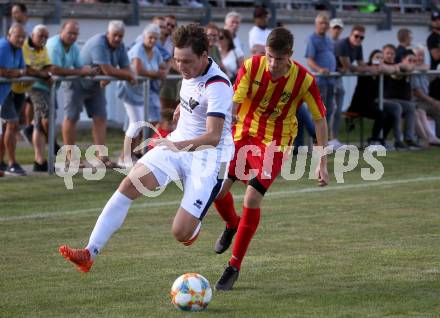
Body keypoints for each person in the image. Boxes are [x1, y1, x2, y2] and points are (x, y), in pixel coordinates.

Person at [58, 24, 234, 274]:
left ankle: (194, 224)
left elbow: (214, 137)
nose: (181, 68)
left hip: (209, 157)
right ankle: (89, 252)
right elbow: (194, 100)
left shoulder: (218, 85)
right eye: (176, 60)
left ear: (205, 55)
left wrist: (177, 144)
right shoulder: (191, 70)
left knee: (181, 233)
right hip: (178, 143)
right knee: (129, 183)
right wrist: (182, 109)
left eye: (187, 62)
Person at [212, 27, 329, 291]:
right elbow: (234, 101)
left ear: (290, 55)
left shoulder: (305, 79)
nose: (273, 64)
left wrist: (322, 163)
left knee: (252, 197)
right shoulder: (251, 67)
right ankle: (232, 224)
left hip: (275, 143)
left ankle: (233, 266)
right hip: (243, 133)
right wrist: (222, 126)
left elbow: (320, 121)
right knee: (218, 191)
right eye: (269, 57)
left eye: (279, 59)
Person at [63, 20, 135, 168]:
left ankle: (101, 157)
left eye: (120, 36)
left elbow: (124, 68)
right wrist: (123, 75)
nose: (117, 39)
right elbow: (109, 70)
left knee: (101, 117)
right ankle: (71, 158)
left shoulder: (120, 47)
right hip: (77, 82)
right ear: (108, 34)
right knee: (72, 118)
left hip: (96, 85)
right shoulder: (98, 43)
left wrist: (113, 75)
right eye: (114, 35)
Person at [46, 20, 99, 166]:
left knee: (47, 121)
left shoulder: (73, 47)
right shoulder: (54, 45)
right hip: (39, 86)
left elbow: (80, 66)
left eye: (75, 34)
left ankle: (53, 154)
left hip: (51, 88)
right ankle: (44, 160)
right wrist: (81, 71)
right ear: (61, 31)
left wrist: (88, 70)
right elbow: (54, 69)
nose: (73, 36)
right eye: (70, 33)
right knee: (44, 123)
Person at [117, 24, 168, 168]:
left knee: (146, 122)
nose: (152, 41)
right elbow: (139, 70)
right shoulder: (138, 48)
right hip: (129, 89)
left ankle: (134, 153)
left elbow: (163, 66)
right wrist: (158, 74)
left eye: (155, 38)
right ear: (144, 37)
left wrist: (163, 71)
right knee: (136, 123)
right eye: (150, 37)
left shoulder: (155, 51)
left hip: (142, 91)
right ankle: (123, 157)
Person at [334, 25, 374, 148]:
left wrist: (367, 68)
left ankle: (333, 139)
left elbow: (359, 64)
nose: (358, 39)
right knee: (330, 110)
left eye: (361, 37)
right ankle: (326, 139)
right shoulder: (342, 44)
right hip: (330, 77)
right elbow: (349, 66)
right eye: (356, 36)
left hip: (337, 78)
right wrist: (370, 68)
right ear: (350, 35)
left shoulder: (358, 46)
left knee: (336, 109)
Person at [0, 23, 27, 176]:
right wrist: (17, 72)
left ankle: (4, 163)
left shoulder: (17, 49)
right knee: (12, 123)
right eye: (17, 36)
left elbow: (22, 70)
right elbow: (3, 72)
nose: (21, 39)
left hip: (4, 94)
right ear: (9, 35)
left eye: (23, 37)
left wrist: (15, 72)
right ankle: (12, 163)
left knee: (9, 126)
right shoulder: (3, 46)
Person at [382, 45, 419, 149]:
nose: (390, 56)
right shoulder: (392, 65)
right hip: (384, 99)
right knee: (397, 107)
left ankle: (409, 139)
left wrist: (410, 66)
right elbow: (389, 69)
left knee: (411, 107)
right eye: (387, 53)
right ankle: (398, 140)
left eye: (392, 53)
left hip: (396, 101)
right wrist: (398, 68)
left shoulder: (398, 66)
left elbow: (422, 66)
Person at [305, 13, 336, 135]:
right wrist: (320, 69)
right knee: (318, 111)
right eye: (321, 23)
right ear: (316, 24)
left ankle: (324, 138)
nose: (324, 26)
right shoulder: (312, 39)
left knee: (330, 109)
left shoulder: (328, 39)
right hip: (320, 81)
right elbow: (309, 60)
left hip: (331, 80)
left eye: (326, 23)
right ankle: (315, 138)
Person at [412, 46, 440, 143]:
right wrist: (433, 101)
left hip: (423, 101)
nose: (420, 58)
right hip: (415, 102)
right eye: (418, 55)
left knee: (438, 108)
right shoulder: (412, 70)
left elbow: (428, 77)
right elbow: (417, 92)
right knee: (423, 110)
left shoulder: (424, 69)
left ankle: (437, 136)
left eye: (422, 55)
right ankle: (430, 138)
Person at [427, 10, 440, 101]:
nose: (437, 21)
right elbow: (436, 56)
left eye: (439, 19)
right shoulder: (432, 38)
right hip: (437, 75)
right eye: (435, 20)